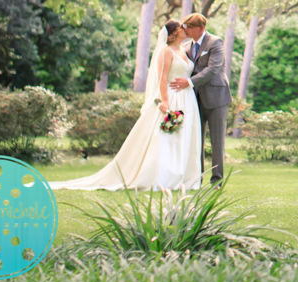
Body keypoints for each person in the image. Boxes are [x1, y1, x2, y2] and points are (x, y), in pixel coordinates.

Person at [51, 20, 202, 191]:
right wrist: (165, 101)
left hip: (187, 99)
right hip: (172, 97)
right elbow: (162, 77)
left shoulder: (184, 50)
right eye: (182, 27)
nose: (185, 29)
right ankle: (164, 175)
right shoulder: (167, 52)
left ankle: (182, 173)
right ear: (174, 33)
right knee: (168, 137)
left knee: (183, 136)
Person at [169, 13, 231, 187]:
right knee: (197, 141)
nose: (186, 30)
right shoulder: (188, 46)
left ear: (201, 28)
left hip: (217, 98)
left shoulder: (215, 42)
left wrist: (188, 82)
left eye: (189, 27)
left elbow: (212, 69)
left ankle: (217, 180)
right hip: (195, 99)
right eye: (185, 26)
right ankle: (197, 178)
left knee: (217, 141)